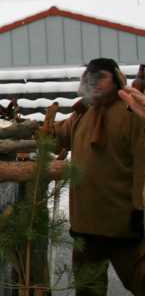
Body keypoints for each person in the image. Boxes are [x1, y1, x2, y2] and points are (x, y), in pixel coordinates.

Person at [50, 58, 145, 295]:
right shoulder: (83, 113)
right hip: (86, 226)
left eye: (100, 76)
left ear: (116, 79)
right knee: (88, 290)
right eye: (90, 77)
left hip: (123, 224)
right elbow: (57, 136)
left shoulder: (132, 113)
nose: (94, 82)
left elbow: (143, 165)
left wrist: (139, 208)